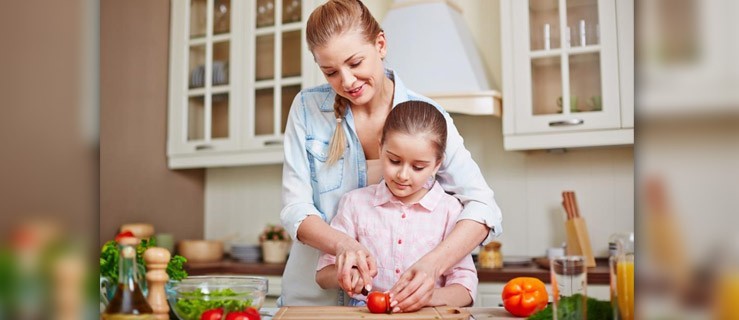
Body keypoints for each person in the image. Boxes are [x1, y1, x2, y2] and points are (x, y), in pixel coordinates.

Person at [280, 0, 502, 312]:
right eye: (330, 72)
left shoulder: (425, 117)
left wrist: (433, 266)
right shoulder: (307, 109)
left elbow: (483, 206)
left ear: (380, 44)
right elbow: (295, 208)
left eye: (355, 63)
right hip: (314, 302)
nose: (346, 81)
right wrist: (343, 244)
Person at [315, 101, 478, 308]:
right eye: (394, 161)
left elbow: (465, 288)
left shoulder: (449, 210)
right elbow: (322, 274)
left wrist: (426, 298)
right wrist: (348, 275)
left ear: (437, 164)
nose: (402, 175)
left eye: (418, 167)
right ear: (380, 145)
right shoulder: (354, 204)